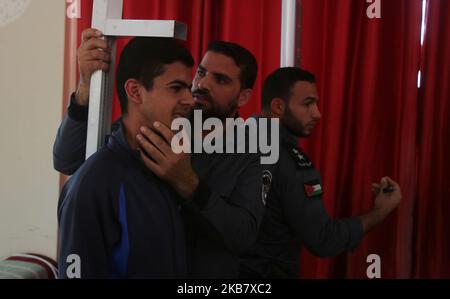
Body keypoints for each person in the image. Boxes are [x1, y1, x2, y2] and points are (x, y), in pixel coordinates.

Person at [54, 29, 264, 278]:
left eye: (220, 80)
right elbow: (69, 160)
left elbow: (244, 236)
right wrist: (86, 90)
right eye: (201, 73)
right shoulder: (158, 127)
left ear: (244, 97)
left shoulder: (253, 150)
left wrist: (188, 183)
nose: (201, 86)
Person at [239, 67, 402, 278]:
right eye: (307, 104)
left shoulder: (234, 140)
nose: (317, 113)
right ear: (278, 106)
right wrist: (380, 211)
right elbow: (323, 239)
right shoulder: (292, 163)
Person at [57, 37, 195, 278]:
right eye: (176, 88)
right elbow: (65, 159)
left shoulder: (173, 165)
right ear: (135, 91)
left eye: (189, 88)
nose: (190, 100)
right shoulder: (94, 185)